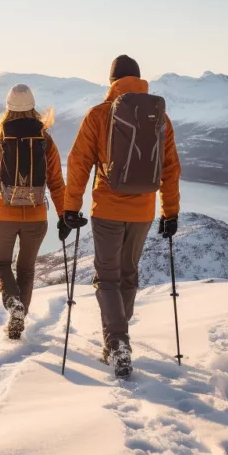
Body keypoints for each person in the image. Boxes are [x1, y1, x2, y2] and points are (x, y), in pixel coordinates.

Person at [62, 55, 181, 378]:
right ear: (140, 80)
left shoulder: (100, 114)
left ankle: (117, 343)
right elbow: (170, 169)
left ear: (112, 81)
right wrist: (170, 212)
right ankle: (118, 340)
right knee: (128, 274)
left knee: (107, 278)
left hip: (108, 209)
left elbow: (78, 163)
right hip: (144, 210)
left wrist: (70, 208)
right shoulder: (160, 118)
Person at [0, 84, 68, 340]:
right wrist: (64, 215)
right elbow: (56, 182)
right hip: (36, 216)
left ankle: (14, 306)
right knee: (26, 269)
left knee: (1, 264)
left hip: (4, 214)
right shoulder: (45, 139)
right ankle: (19, 316)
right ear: (33, 107)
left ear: (8, 108)